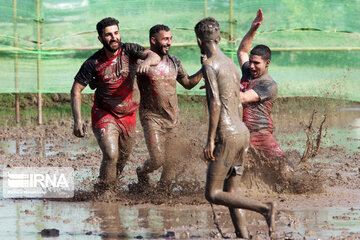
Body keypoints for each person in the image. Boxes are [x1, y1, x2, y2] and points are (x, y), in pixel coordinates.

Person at [195, 17, 276, 238]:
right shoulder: (231, 65)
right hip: (242, 133)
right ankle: (243, 235)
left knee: (212, 193)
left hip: (227, 134)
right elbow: (232, 100)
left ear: (199, 40)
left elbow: (216, 103)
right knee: (231, 192)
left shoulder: (210, 65)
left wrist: (211, 140)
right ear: (219, 38)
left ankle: (264, 208)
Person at [70, 17, 160, 195]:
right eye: (108, 35)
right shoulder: (93, 63)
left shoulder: (130, 50)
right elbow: (76, 91)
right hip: (105, 113)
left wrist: (147, 62)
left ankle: (107, 187)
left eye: (116, 33)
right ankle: (104, 195)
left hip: (129, 115)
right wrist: (77, 121)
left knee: (120, 161)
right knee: (111, 154)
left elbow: (154, 56)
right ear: (100, 38)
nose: (114, 38)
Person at [135, 24, 203, 191]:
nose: (169, 42)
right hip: (152, 119)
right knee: (157, 160)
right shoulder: (141, 62)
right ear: (153, 40)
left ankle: (162, 194)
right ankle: (142, 171)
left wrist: (204, 69)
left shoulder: (174, 61)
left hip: (173, 119)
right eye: (165, 39)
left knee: (171, 162)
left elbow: (187, 84)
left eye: (170, 39)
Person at [237, 9, 286, 161]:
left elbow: (243, 98)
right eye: (250, 61)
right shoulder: (248, 72)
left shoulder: (268, 85)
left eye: (256, 63)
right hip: (242, 133)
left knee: (283, 167)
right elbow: (242, 51)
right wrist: (253, 29)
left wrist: (218, 86)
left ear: (267, 63)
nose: (251, 66)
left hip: (260, 133)